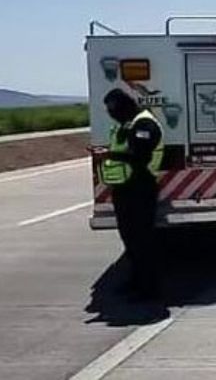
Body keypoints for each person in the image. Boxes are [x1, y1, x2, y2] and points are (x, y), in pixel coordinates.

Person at [93, 88, 164, 301]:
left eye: (113, 109)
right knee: (130, 239)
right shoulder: (126, 124)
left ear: (124, 106)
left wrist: (110, 154)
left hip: (141, 187)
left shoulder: (144, 124)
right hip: (125, 188)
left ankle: (149, 289)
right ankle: (136, 282)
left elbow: (140, 156)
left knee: (142, 240)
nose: (111, 113)